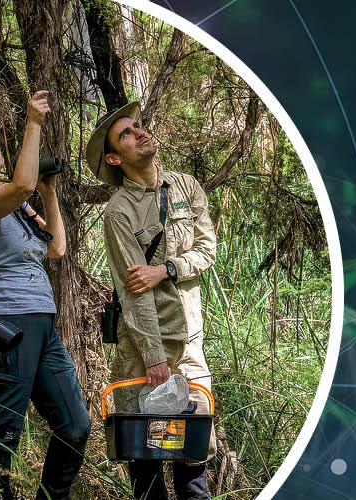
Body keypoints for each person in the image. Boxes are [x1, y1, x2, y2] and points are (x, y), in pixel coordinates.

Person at [0, 91, 90, 500]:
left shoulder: (17, 207)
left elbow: (57, 248)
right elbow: (21, 183)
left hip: (42, 326)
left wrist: (47, 191)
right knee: (1, 439)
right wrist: (33, 122)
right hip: (6, 325)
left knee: (75, 426)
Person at [87, 101, 218, 500]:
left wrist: (167, 269)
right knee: (146, 451)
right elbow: (133, 292)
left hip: (189, 341)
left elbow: (207, 250)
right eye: (126, 134)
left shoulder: (186, 186)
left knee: (194, 449)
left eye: (138, 126)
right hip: (143, 347)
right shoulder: (119, 212)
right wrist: (154, 358)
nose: (140, 133)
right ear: (114, 157)